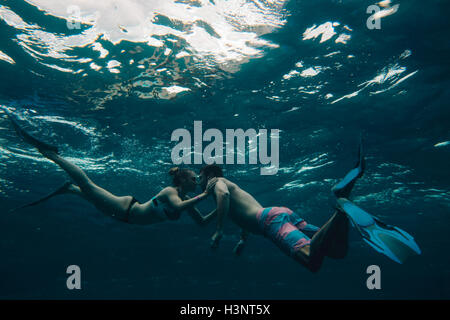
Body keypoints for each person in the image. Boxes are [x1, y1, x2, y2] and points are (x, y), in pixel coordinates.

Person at [198, 141, 421, 272]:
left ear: (208, 174)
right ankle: (342, 208)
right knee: (336, 252)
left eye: (200, 177)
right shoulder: (227, 189)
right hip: (278, 215)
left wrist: (218, 231)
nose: (200, 182)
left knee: (312, 261)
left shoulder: (215, 182)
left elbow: (224, 196)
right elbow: (241, 214)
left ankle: (340, 203)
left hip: (270, 222)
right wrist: (242, 240)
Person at [8, 114, 217, 226]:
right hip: (124, 209)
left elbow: (202, 222)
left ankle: (70, 189)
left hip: (124, 217)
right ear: (181, 181)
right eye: (193, 179)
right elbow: (178, 208)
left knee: (91, 195)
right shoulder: (171, 193)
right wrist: (206, 193)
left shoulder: (185, 202)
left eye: (196, 180)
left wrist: (225, 207)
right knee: (88, 186)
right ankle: (52, 154)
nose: (196, 182)